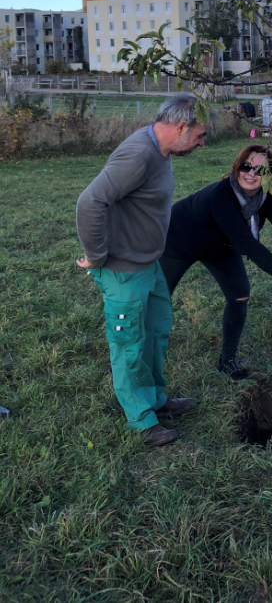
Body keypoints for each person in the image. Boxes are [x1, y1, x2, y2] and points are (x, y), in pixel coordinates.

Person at [76, 94, 210, 446]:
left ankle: (154, 399)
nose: (202, 142)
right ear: (181, 127)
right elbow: (90, 202)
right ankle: (140, 419)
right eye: (199, 136)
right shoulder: (137, 155)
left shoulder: (160, 151)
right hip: (123, 272)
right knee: (130, 345)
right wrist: (96, 255)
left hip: (149, 266)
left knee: (154, 336)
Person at [159, 144, 272, 381]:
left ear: (268, 175)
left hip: (221, 248)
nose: (251, 174)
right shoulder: (221, 196)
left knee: (239, 293)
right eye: (246, 166)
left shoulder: (268, 196)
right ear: (237, 167)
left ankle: (227, 361)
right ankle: (130, 358)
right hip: (178, 240)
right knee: (157, 299)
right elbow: (246, 243)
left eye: (260, 170)